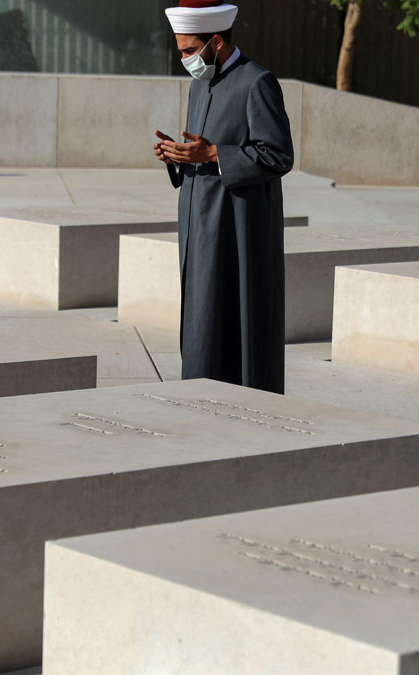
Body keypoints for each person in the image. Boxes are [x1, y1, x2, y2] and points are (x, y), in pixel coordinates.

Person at [153, 0, 293, 394]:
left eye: (188, 50)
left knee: (236, 315)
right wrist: (177, 156)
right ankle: (198, 399)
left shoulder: (257, 81)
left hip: (238, 228)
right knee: (200, 316)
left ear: (215, 42)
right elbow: (200, 149)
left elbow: (278, 155)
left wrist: (214, 153)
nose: (185, 59)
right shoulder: (201, 84)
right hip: (198, 223)